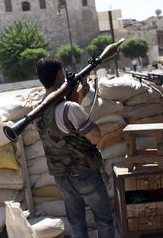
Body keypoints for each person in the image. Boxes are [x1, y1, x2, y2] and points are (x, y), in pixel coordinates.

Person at [35, 57, 121, 238]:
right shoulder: (69, 107)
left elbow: (62, 126)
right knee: (104, 220)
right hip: (85, 172)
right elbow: (96, 137)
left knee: (76, 223)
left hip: (61, 175)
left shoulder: (39, 109)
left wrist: (78, 97)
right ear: (59, 74)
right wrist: (76, 104)